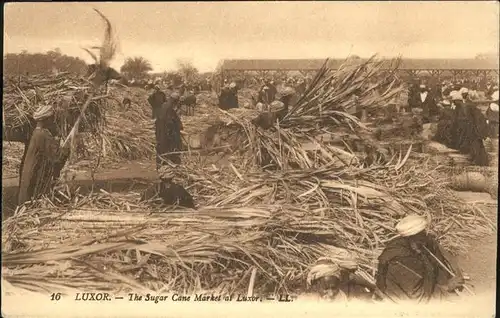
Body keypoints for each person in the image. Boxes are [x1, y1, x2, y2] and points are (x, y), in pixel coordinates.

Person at [375, 215, 465, 303]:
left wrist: (454, 273)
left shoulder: (416, 243)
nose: (426, 235)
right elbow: (419, 299)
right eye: (422, 233)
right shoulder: (403, 260)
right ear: (412, 236)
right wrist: (447, 287)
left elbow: (439, 250)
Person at [18, 105, 70, 205]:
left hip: (30, 173)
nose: (52, 121)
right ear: (46, 119)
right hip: (35, 175)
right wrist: (67, 147)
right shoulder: (43, 134)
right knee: (32, 200)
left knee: (27, 197)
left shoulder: (36, 132)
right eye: (51, 118)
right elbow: (56, 158)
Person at [307, 251, 379, 301]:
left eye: (334, 288)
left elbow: (353, 277)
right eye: (326, 289)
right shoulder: (307, 299)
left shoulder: (341, 279)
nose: (331, 294)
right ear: (316, 285)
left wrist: (373, 288)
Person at [155, 93, 183, 168]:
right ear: (174, 101)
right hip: (166, 134)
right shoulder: (169, 108)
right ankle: (167, 166)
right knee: (168, 150)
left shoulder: (164, 106)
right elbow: (170, 122)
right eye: (176, 101)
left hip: (160, 132)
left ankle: (161, 165)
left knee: (161, 149)